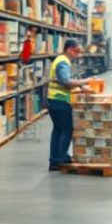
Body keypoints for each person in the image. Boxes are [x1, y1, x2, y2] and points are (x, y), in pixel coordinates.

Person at [46, 39, 92, 170]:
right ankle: (61, 159)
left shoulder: (60, 60)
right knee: (67, 129)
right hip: (60, 100)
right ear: (70, 49)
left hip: (53, 100)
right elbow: (66, 82)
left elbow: (62, 81)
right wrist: (84, 82)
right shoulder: (63, 62)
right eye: (76, 51)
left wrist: (77, 87)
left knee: (58, 129)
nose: (77, 55)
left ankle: (54, 160)